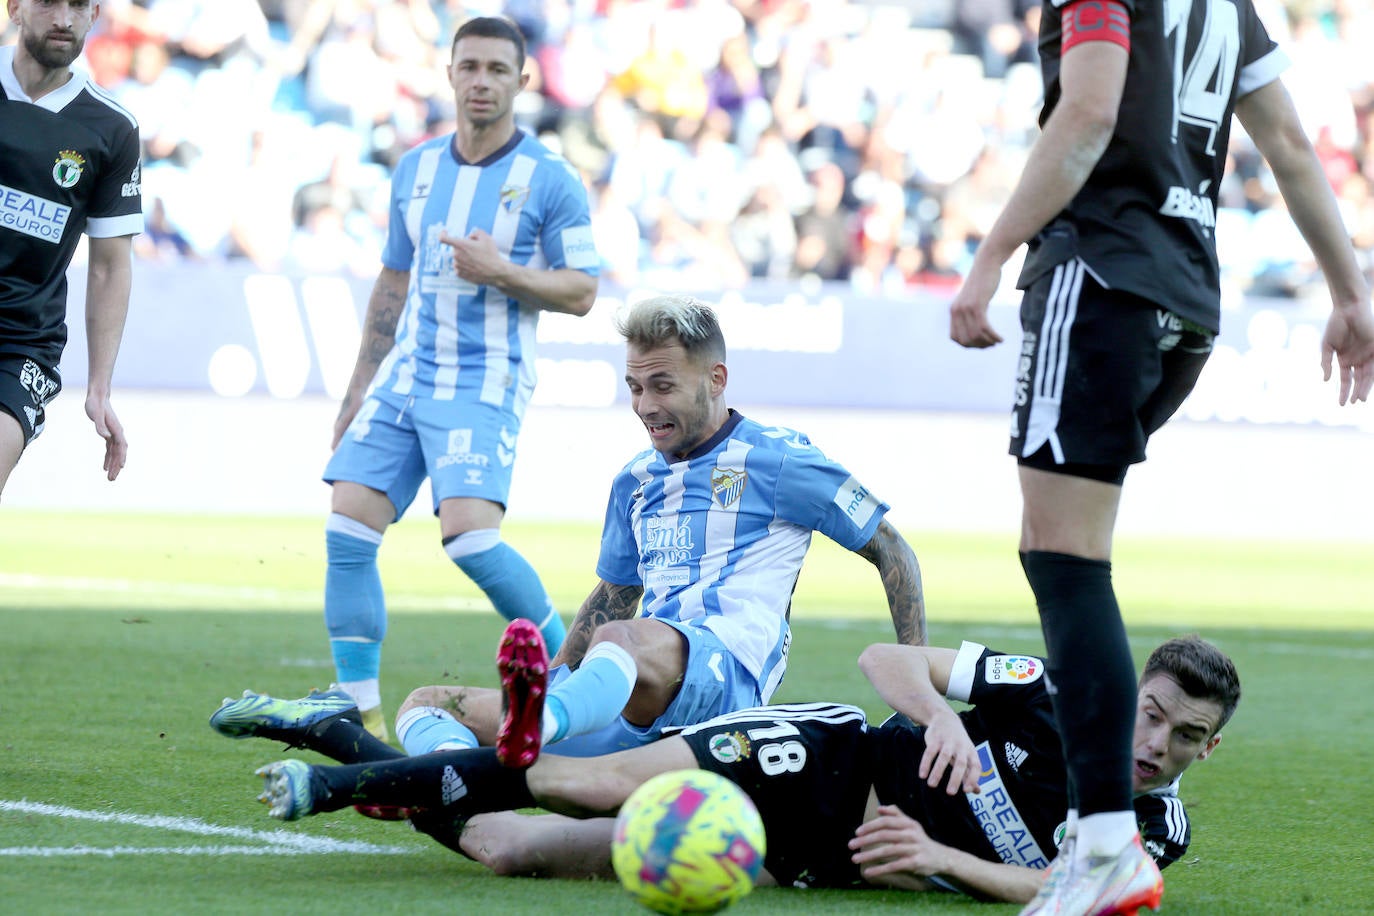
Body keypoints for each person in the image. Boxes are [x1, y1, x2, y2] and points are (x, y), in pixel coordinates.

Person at [945, 3, 1374, 913]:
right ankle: (1101, 846)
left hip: (1102, 273)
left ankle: (1103, 846)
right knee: (1061, 546)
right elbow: (1289, 141)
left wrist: (988, 257)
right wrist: (1349, 289)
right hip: (1186, 299)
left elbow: (1090, 112)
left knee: (1064, 560)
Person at [217, 294, 924, 774]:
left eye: (663, 386)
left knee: (624, 642)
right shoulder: (636, 480)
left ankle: (538, 729)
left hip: (721, 685)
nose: (645, 405)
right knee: (431, 705)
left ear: (716, 378)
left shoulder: (779, 459)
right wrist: (555, 680)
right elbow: (613, 595)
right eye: (635, 387)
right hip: (622, 689)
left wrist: (917, 690)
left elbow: (891, 550)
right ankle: (363, 751)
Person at [224, 634, 1239, 905]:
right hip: (818, 761)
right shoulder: (1055, 691)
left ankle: (336, 734)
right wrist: (938, 714)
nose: (1154, 742)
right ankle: (346, 782)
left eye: (1182, 735)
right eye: (1153, 712)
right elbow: (887, 661)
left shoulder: (1162, 832)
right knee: (584, 780)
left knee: (505, 846)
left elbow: (1075, 888)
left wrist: (940, 854)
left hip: (803, 855)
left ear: (1208, 747)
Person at [319, 16, 599, 741]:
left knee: (469, 538)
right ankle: (360, 717)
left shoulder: (550, 180)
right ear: (449, 73)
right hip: (407, 374)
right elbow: (391, 279)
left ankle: (569, 684)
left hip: (485, 379)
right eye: (469, 66)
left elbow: (582, 291)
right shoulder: (414, 170)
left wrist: (500, 271)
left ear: (521, 82)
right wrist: (358, 388)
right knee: (348, 526)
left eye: (497, 70)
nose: (481, 81)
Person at [1, 0, 142, 499]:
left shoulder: (111, 128)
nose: (63, 18)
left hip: (18, 346)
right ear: (16, 8)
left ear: (95, 13)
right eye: (48, 3)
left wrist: (99, 385)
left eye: (78, 5)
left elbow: (109, 266)